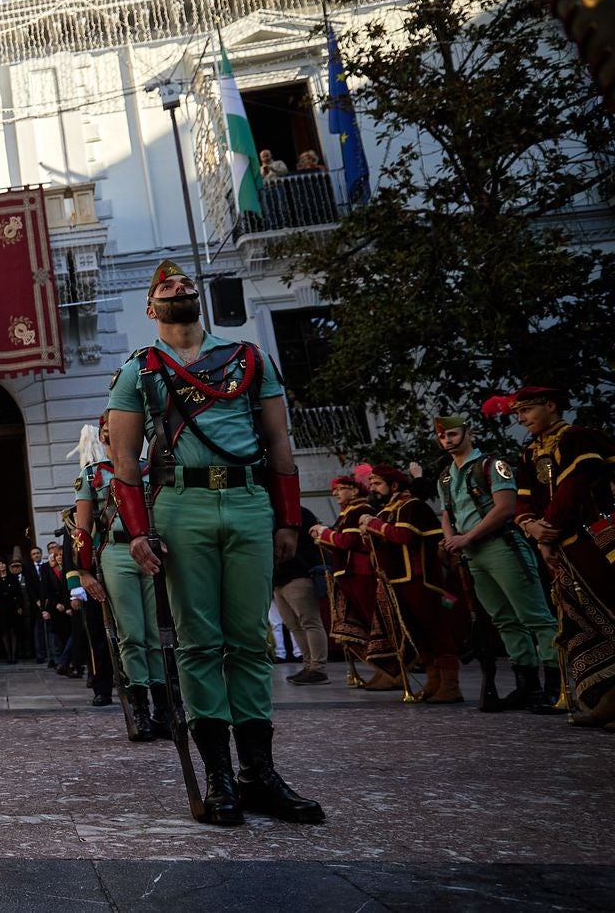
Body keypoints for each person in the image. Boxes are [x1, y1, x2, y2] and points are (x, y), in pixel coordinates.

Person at [107, 259, 323, 826]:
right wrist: (137, 532)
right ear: (151, 308)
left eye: (186, 284)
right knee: (200, 642)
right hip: (182, 505)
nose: (180, 288)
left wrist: (288, 522)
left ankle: (260, 774)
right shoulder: (139, 370)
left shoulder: (250, 359)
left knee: (250, 639)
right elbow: (124, 460)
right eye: (167, 287)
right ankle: (219, 778)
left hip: (251, 503)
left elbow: (278, 441)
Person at [498, 385, 615, 726]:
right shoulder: (530, 451)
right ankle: (605, 697)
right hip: (561, 543)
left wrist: (547, 526)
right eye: (517, 413)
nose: (521, 418)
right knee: (582, 620)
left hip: (595, 536)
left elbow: (576, 484)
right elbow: (521, 498)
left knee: (609, 608)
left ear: (551, 405)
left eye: (527, 410)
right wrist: (532, 527)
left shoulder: (578, 437)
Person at [434, 413, 559, 710]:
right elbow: (447, 514)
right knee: (503, 619)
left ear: (468, 433)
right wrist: (452, 538)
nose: (447, 440)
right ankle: (526, 685)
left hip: (501, 545)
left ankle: (557, 686)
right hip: (472, 553)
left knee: (535, 616)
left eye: (452, 434)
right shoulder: (446, 475)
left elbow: (505, 508)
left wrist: (466, 537)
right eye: (442, 436)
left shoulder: (492, 465)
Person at [76, 417, 169, 737]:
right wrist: (84, 572)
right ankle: (140, 709)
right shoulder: (93, 474)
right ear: (103, 439)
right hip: (115, 552)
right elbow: (82, 529)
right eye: (108, 435)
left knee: (157, 633)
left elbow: (165, 508)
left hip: (154, 551)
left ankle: (164, 708)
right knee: (131, 633)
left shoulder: (150, 468)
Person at [359, 464, 470, 704]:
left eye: (377, 483)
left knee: (437, 631)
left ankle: (451, 685)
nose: (373, 489)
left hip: (422, 580)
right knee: (417, 634)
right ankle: (433, 681)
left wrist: (373, 525)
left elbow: (404, 536)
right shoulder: (385, 511)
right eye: (372, 484)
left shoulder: (412, 506)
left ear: (395, 485)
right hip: (397, 579)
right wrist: (368, 533)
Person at [312, 472, 402, 691]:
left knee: (375, 623)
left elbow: (349, 540)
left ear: (354, 490)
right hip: (349, 573)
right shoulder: (347, 513)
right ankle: (383, 670)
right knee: (363, 624)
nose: (336, 493)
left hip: (362, 572)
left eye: (341, 488)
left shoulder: (360, 510)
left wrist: (324, 533)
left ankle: (395, 671)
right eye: (334, 490)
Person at [273, 508, 329, 684]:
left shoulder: (299, 514)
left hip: (299, 574)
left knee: (310, 622)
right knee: (293, 625)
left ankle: (318, 668)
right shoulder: (274, 514)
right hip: (279, 578)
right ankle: (308, 665)